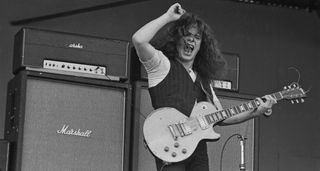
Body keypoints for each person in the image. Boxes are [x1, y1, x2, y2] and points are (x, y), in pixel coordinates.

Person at [132, 3, 277, 171]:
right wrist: (169, 17)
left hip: (198, 150)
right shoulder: (162, 65)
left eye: (197, 37)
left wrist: (256, 111)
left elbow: (222, 117)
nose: (191, 39)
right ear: (176, 39)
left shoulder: (204, 81)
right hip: (172, 145)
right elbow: (139, 39)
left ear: (201, 46)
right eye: (186, 34)